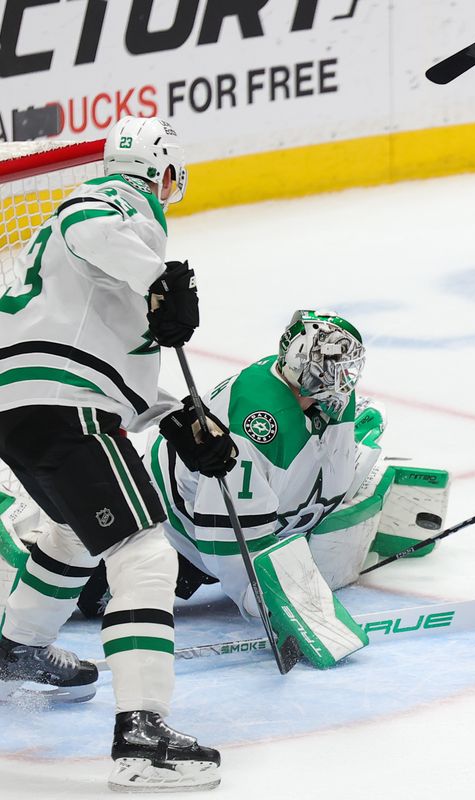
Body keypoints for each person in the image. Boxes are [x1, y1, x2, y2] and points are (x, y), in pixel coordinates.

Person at [0, 116, 232, 791]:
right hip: (62, 405)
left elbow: (102, 361)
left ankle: (16, 650)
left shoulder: (81, 263)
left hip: (23, 409)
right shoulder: (118, 206)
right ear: (163, 173)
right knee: (144, 552)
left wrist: (173, 414)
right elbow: (85, 221)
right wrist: (160, 275)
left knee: (74, 533)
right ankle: (142, 735)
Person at [141, 311, 450, 668]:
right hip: (176, 530)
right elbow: (223, 537)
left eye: (348, 365)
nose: (345, 377)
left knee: (367, 430)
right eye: (334, 365)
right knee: (109, 586)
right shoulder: (257, 424)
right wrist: (261, 600)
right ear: (305, 365)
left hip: (268, 512)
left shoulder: (325, 395)